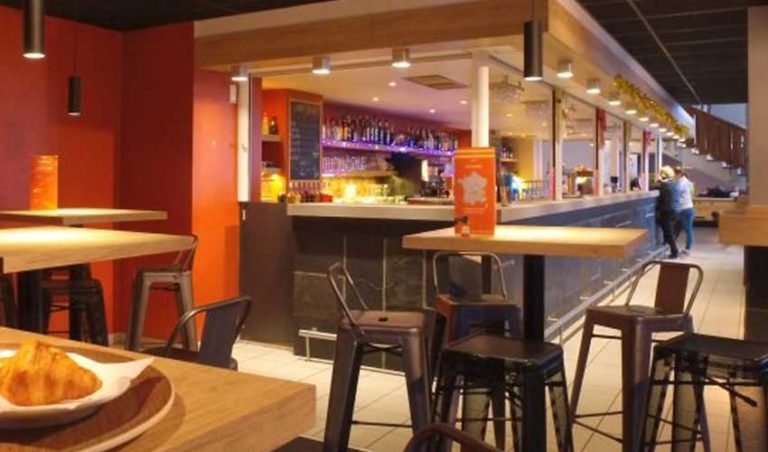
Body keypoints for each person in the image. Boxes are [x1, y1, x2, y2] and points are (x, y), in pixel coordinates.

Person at [654, 166, 681, 259]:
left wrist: (658, 181)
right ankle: (666, 243)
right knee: (668, 230)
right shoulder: (675, 183)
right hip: (676, 210)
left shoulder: (664, 185)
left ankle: (674, 252)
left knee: (668, 232)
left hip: (667, 210)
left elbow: (652, 187)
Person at [673, 166, 695, 254]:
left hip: (685, 209)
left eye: (675, 174)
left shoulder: (682, 183)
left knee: (687, 229)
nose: (674, 176)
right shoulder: (688, 182)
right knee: (679, 228)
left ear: (679, 174)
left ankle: (688, 248)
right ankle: (672, 245)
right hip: (687, 208)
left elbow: (676, 194)